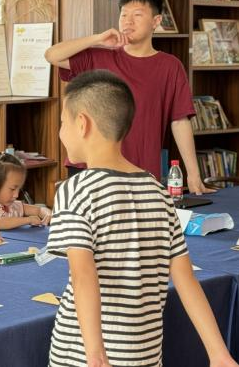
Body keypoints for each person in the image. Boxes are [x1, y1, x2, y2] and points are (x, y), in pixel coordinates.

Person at [47, 70, 237, 367]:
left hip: (81, 357)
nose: (60, 132)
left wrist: (96, 355)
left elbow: (83, 276)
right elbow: (185, 278)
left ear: (82, 123)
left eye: (62, 123)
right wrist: (218, 353)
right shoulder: (158, 190)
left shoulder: (76, 189)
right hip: (144, 355)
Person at [44, 0, 209, 194]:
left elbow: (180, 121)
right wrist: (97, 39)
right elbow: (52, 55)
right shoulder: (99, 57)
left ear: (156, 21)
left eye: (137, 15)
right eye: (124, 15)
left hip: (140, 172)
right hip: (90, 170)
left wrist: (193, 174)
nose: (128, 21)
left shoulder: (170, 66)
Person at [0, 151, 51, 229]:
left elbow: (39, 210)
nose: (16, 195)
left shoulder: (14, 206)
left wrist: (48, 214)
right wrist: (28, 220)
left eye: (19, 189)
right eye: (12, 189)